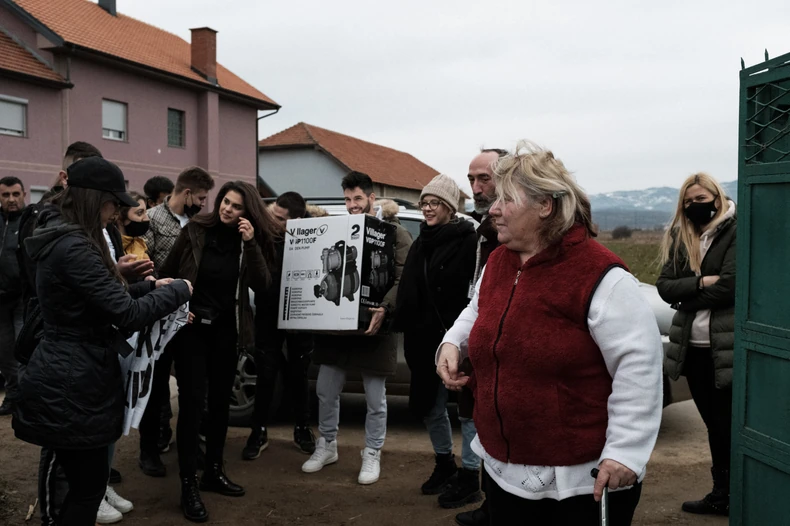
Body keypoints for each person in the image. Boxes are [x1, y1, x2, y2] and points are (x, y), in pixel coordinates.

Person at [436, 142, 663, 525]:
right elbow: (477, 310)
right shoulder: (498, 262)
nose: (493, 209)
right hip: (502, 469)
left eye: (506, 199)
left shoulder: (601, 276)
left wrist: (626, 452)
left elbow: (639, 365)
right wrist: (452, 342)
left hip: (578, 483)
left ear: (545, 205)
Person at [12, 156, 192, 526]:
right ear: (95, 200)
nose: (115, 214)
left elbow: (99, 297)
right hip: (71, 378)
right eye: (112, 204)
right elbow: (125, 313)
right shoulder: (74, 245)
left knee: (89, 484)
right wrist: (177, 291)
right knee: (82, 489)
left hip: (76, 370)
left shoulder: (70, 238)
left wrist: (148, 287)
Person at [160, 180, 279, 523]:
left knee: (220, 408)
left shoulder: (247, 241)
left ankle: (213, 470)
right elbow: (167, 274)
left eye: (236, 206)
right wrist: (179, 306)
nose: (228, 209)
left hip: (227, 331)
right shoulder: (195, 230)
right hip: (191, 330)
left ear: (248, 212)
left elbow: (262, 284)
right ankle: (188, 484)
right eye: (225, 201)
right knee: (192, 403)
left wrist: (251, 243)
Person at [301, 171, 413, 485]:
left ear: (371, 198)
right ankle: (327, 445)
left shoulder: (395, 233)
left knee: (375, 399)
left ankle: (372, 451)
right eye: (348, 199)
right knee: (325, 391)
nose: (352, 205)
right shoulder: (336, 229)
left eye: (358, 199)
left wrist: (385, 307)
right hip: (335, 330)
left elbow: (404, 279)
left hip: (375, 329)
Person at [656, 173, 736, 517]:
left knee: (728, 424)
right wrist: (701, 282)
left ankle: (736, 492)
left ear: (717, 198)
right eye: (688, 202)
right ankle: (722, 494)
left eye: (700, 200)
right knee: (714, 426)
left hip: (726, 348)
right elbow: (664, 286)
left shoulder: (735, 231)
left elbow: (730, 287)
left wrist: (686, 298)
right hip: (694, 349)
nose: (694, 207)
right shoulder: (683, 235)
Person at [394, 174, 477, 502]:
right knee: (430, 405)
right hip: (424, 339)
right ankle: (444, 464)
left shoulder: (468, 241)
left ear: (449, 207)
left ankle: (470, 476)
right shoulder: (421, 241)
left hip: (459, 339)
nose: (427, 209)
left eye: (434, 203)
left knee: (467, 410)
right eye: (424, 203)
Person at [137, 167, 215, 478]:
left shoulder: (198, 223)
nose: (204, 203)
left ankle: (190, 448)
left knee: (191, 387)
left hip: (190, 320)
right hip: (159, 316)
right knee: (155, 389)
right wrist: (171, 304)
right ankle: (149, 450)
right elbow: (147, 269)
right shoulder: (152, 219)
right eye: (201, 198)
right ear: (187, 193)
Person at [451, 148, 507, 526]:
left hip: (504, 347)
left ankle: (498, 507)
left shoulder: (510, 232)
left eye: (484, 178)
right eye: (471, 179)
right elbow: (478, 295)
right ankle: (490, 504)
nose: (475, 187)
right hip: (480, 340)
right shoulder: (481, 229)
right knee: (480, 419)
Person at [244, 191, 316, 460]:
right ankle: (258, 431)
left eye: (280, 219)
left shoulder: (312, 237)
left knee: (299, 373)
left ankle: (303, 429)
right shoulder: (263, 234)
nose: (273, 221)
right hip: (268, 311)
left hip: (301, 314)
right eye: (273, 214)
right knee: (266, 372)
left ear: (296, 221)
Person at [0, 176, 26, 417]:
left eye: (15, 194)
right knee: (4, 352)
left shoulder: (31, 221)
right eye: (5, 195)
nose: (11, 199)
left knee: (22, 349)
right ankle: (12, 395)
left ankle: (26, 399)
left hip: (22, 299)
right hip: (0, 302)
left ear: (24, 195)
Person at [116, 192, 151, 260]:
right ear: (120, 217)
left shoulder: (139, 245)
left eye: (145, 212)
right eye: (140, 213)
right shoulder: (110, 248)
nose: (146, 218)